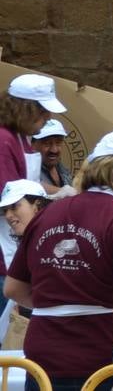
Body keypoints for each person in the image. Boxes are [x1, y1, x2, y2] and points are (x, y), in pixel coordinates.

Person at [4, 129, 113, 391]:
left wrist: (62, 304)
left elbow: (14, 288)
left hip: (46, 359)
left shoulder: (48, 213)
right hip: (107, 358)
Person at [0, 76, 67, 269]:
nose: (48, 119)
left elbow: (28, 181)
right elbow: (9, 197)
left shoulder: (21, 138)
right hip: (4, 245)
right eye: (44, 113)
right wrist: (52, 203)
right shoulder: (4, 140)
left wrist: (60, 192)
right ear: (26, 110)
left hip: (18, 240)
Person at [0, 180, 50, 349]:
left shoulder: (49, 238)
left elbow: (11, 290)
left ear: (37, 205)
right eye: (5, 210)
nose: (8, 215)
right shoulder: (28, 240)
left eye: (14, 207)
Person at [32, 120, 73, 196]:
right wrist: (61, 191)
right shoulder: (27, 170)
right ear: (33, 144)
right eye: (47, 143)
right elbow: (30, 184)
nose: (54, 150)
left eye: (58, 143)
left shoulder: (63, 171)